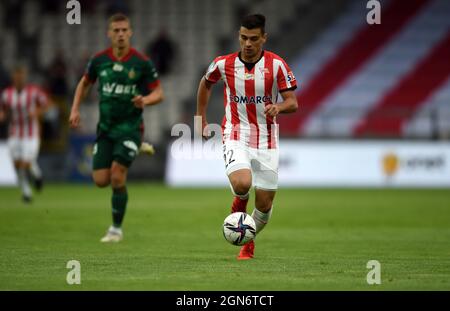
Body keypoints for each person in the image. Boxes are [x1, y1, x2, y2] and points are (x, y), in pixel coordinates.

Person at [196, 14, 298, 260]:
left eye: (254, 38)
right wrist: (200, 117)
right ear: (238, 37)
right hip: (235, 133)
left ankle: (247, 241)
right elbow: (206, 83)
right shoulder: (223, 64)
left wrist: (278, 107)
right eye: (244, 38)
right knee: (242, 184)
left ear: (264, 38)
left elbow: (292, 102)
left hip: (266, 139)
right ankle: (240, 222)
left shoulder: (277, 65)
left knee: (264, 206)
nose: (248, 43)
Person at [69, 13, 164, 242]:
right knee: (100, 180)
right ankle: (136, 148)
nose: (120, 34)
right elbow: (84, 83)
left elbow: (159, 93)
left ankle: (116, 230)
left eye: (124, 30)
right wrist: (74, 110)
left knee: (117, 176)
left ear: (130, 33)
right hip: (106, 129)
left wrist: (145, 100)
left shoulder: (141, 62)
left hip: (130, 127)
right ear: (109, 33)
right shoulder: (99, 60)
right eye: (116, 30)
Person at [0, 64, 48, 202]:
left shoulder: (34, 92)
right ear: (13, 78)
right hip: (14, 132)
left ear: (25, 77)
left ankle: (37, 175)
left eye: (21, 76)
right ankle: (26, 192)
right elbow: (3, 109)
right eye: (16, 76)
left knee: (25, 163)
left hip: (31, 133)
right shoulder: (6, 94)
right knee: (16, 165)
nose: (19, 79)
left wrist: (37, 112)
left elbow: (47, 104)